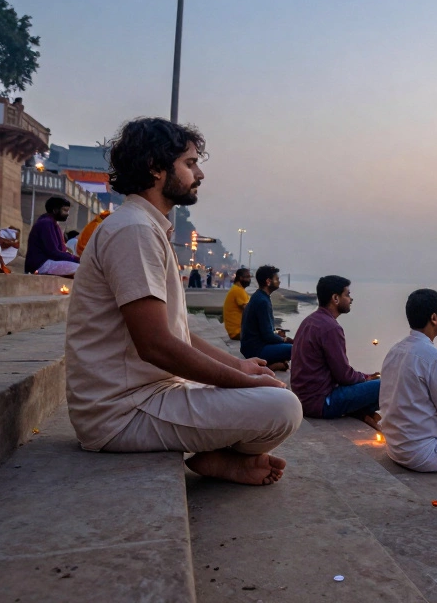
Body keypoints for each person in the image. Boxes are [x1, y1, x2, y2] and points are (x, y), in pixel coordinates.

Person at [64, 116, 300, 486]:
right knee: (283, 407)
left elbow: (178, 333)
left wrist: (240, 370)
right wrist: (243, 384)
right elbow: (156, 345)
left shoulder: (145, 227)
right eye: (189, 164)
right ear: (156, 168)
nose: (199, 174)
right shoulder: (134, 231)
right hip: (121, 413)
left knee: (270, 388)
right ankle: (220, 458)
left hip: (149, 394)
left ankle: (217, 459)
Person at [291, 275, 381, 426]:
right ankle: (359, 411)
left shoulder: (310, 320)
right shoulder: (331, 328)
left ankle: (359, 412)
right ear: (335, 298)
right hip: (320, 403)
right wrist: (366, 378)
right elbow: (344, 376)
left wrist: (363, 378)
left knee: (368, 384)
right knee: (386, 386)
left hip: (303, 399)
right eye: (347, 295)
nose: (351, 299)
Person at [379, 288, 437, 472]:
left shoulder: (395, 350)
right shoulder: (434, 358)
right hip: (424, 453)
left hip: (395, 448)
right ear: (434, 318)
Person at [240, 264, 292, 370]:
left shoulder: (259, 296)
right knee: (295, 349)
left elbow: (264, 330)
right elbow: (267, 336)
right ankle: (269, 365)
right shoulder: (263, 301)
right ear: (268, 281)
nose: (279, 281)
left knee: (284, 344)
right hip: (256, 350)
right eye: (277, 279)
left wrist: (278, 334)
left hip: (249, 347)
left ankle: (274, 363)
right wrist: (284, 339)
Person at [25, 196, 81, 276]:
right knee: (82, 269)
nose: (67, 214)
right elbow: (53, 252)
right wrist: (77, 259)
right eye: (65, 210)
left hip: (48, 262)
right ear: (55, 210)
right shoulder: (46, 223)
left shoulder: (51, 223)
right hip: (41, 264)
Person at [223, 267, 252, 340]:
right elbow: (249, 311)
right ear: (240, 278)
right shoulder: (238, 290)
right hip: (237, 332)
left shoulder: (237, 289)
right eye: (247, 277)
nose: (249, 280)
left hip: (236, 331)